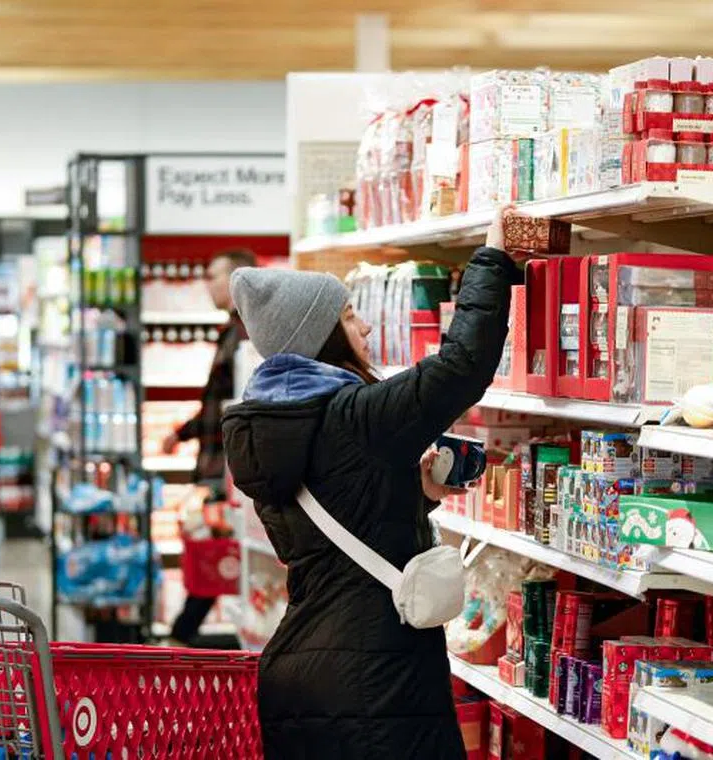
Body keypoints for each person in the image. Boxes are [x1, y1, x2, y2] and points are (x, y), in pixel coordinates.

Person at [222, 215, 520, 758]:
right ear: (322, 337)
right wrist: (492, 259)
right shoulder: (356, 416)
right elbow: (461, 367)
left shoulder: (264, 429)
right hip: (377, 675)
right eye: (351, 317)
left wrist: (411, 494)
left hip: (298, 666)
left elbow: (336, 505)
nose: (366, 330)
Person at [161, 248, 255, 645]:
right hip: (222, 463)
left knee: (217, 549)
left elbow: (225, 405)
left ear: (236, 280)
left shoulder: (244, 334)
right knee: (217, 548)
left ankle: (182, 635)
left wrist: (181, 434)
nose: (207, 283)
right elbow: (217, 403)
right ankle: (187, 633)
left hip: (228, 467)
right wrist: (181, 434)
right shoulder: (234, 331)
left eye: (214, 274)